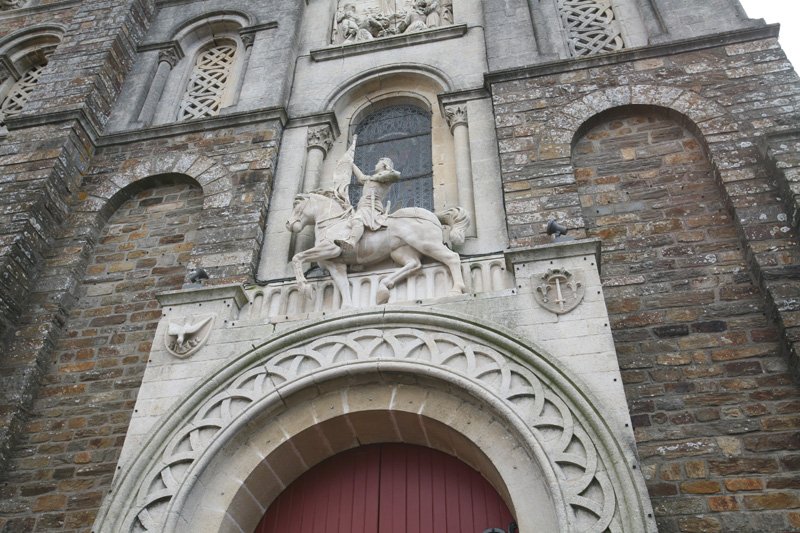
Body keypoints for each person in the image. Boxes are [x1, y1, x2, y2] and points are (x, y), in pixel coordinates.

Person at [336, 157, 401, 253]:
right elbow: (361, 177)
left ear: (383, 165)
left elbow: (396, 175)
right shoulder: (371, 178)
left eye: (378, 163)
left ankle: (351, 242)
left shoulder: (386, 176)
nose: (375, 165)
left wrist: (382, 173)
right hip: (363, 206)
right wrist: (350, 163)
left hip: (372, 206)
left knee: (357, 219)